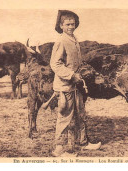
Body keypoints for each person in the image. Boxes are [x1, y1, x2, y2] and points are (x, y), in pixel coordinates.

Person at [50, 10, 101, 157]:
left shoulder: (73, 39)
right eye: (67, 24)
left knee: (80, 114)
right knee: (65, 117)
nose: (71, 26)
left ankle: (83, 142)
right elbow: (55, 64)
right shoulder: (61, 40)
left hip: (75, 85)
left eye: (73, 24)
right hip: (65, 86)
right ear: (61, 25)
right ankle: (59, 150)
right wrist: (72, 75)